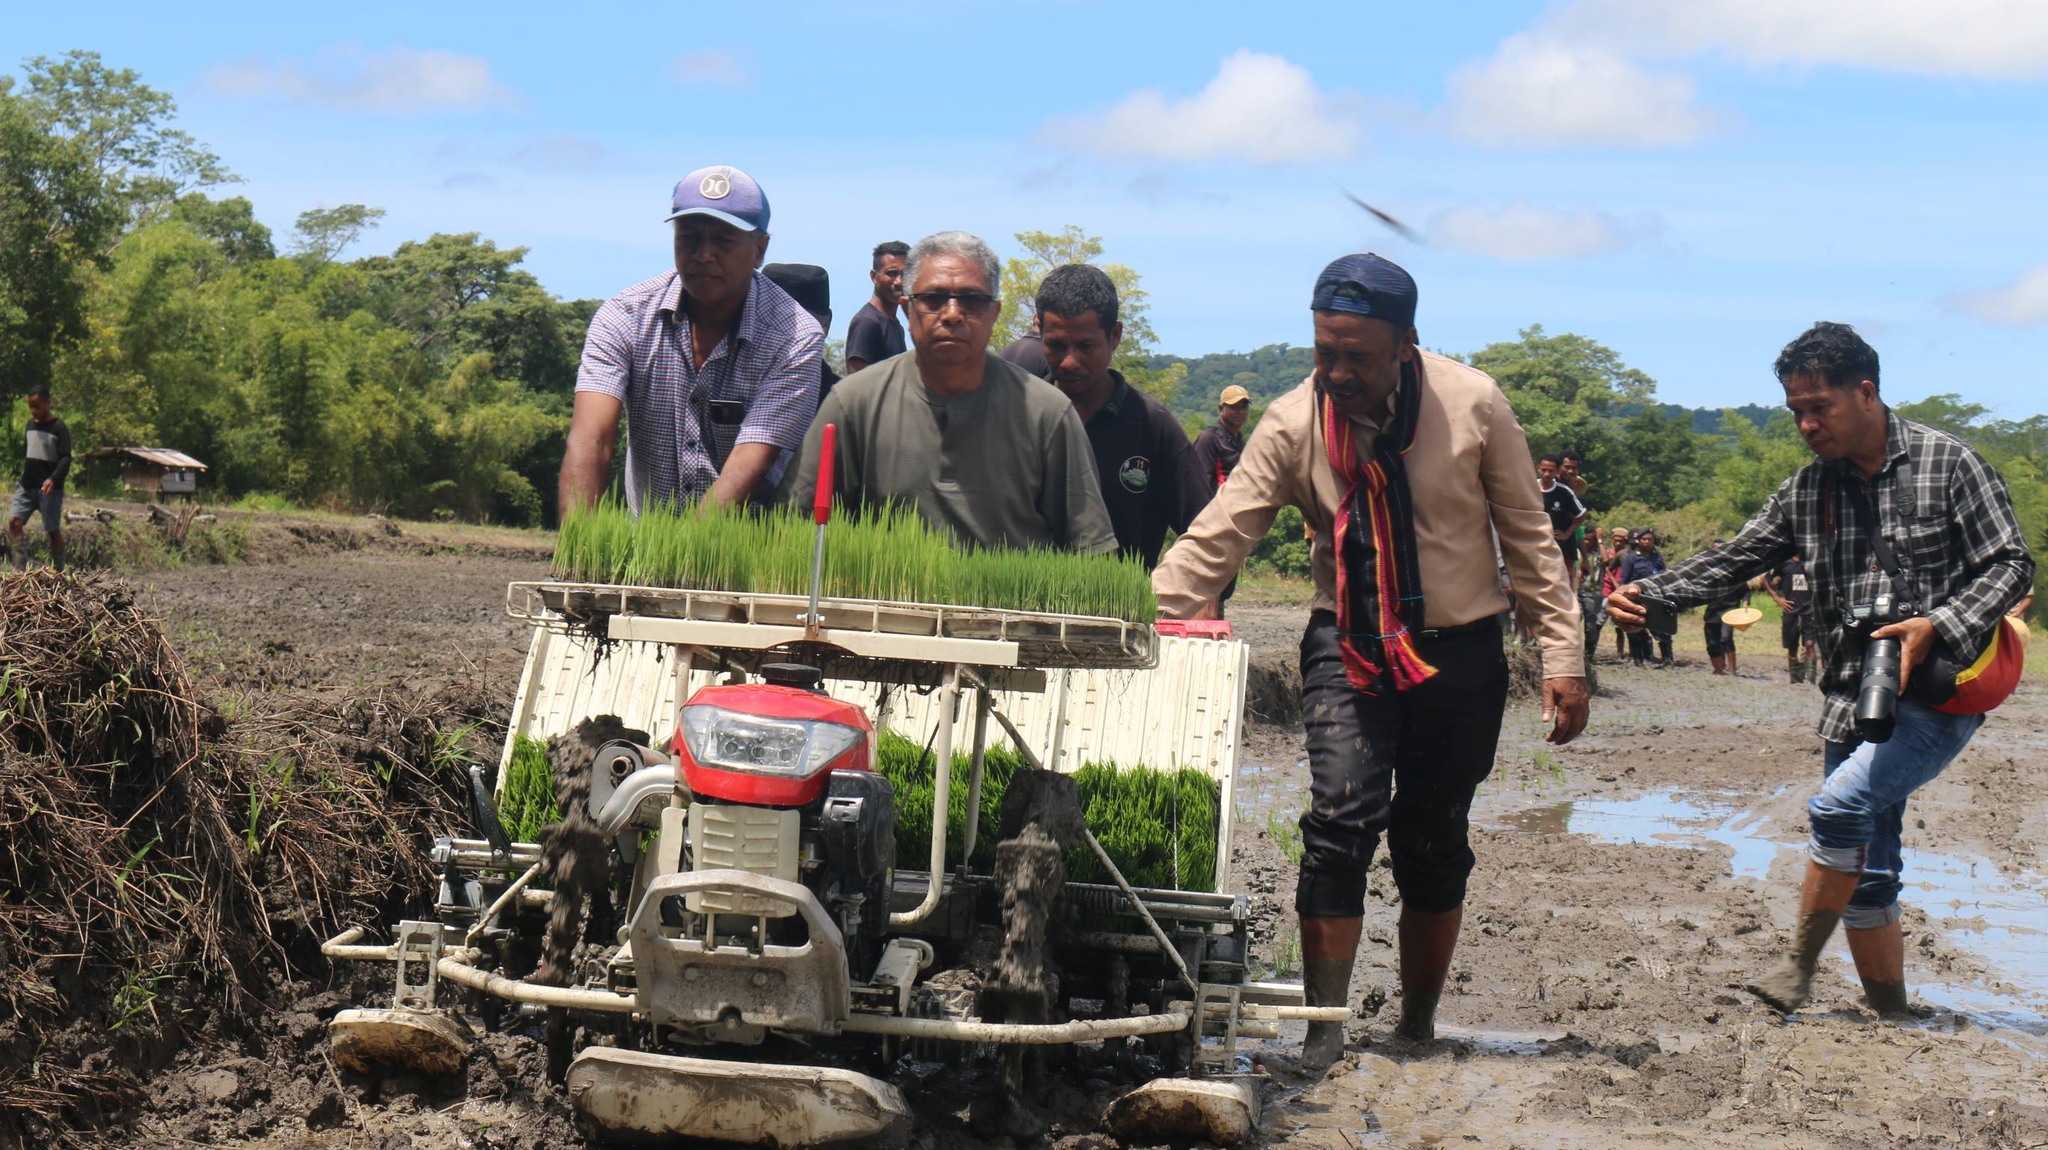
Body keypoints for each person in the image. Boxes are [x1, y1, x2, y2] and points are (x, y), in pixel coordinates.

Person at [1150, 253, 1588, 1066]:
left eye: (1358, 356)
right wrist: (1127, 624)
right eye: (1325, 352)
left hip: (1460, 650)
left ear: (1407, 344)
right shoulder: (1292, 422)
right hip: (1345, 642)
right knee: (1339, 825)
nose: (1338, 373)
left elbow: (1529, 536)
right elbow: (1219, 536)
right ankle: (1325, 1029)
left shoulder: (1473, 404)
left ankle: (1417, 1023)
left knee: (1432, 834)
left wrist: (1563, 655)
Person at [1608, 321, 2031, 1019]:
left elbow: (2011, 563)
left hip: (1933, 692)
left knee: (1837, 808)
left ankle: (1797, 967)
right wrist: (1650, 593)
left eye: (1819, 407)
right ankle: (1894, 1014)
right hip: (1848, 695)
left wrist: (1937, 627)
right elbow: (1736, 557)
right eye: (1796, 411)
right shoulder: (1806, 492)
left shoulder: (1949, 463)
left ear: (1865, 393)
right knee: (1869, 864)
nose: (1806, 424)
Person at [781, 231, 1116, 554]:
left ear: (994, 314)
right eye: (934, 299)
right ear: (907, 310)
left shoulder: (1047, 413)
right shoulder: (853, 404)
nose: (953, 314)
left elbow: (1090, 550)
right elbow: (795, 534)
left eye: (971, 300)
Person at [559, 165, 823, 519]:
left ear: (759, 249)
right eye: (689, 238)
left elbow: (750, 461)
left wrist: (684, 557)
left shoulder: (794, 336)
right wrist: (576, 548)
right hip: (648, 536)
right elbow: (592, 439)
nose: (702, 254)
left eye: (723, 240)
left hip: (755, 545)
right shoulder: (624, 317)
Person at [1036, 264, 1208, 568]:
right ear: (1039, 330)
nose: (1070, 361)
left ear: (1114, 336)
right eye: (1057, 345)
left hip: (1123, 613)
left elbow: (1206, 532)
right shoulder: (1022, 419)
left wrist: (1206, 594)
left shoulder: (1153, 425)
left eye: (1086, 346)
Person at [9, 384, 71, 571]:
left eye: (37, 406)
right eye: (31, 406)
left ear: (48, 403)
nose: (33, 411)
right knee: (14, 523)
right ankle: (19, 573)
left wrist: (53, 478)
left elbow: (66, 458)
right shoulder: (30, 425)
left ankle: (59, 571)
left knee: (52, 531)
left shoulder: (59, 428)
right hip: (27, 486)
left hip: (49, 489)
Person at [763, 263, 841, 400]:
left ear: (826, 326)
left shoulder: (842, 400)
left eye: (807, 328)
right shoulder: (725, 382)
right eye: (780, 329)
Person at [843, 241, 908, 374]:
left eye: (905, 274)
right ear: (874, 277)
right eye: (892, 273)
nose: (899, 282)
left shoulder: (896, 326)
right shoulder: (867, 322)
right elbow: (856, 384)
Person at [1616, 529, 1672, 666]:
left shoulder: (1657, 557)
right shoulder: (1631, 558)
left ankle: (1668, 659)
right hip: (1637, 597)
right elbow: (1624, 580)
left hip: (1656, 597)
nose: (1647, 542)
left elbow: (1664, 575)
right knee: (1636, 628)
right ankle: (1638, 660)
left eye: (1649, 539)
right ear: (1639, 541)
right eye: (1644, 539)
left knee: (1662, 629)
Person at [1766, 552, 1821, 683]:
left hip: (1809, 610)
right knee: (1792, 648)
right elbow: (1765, 579)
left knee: (1810, 644)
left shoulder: (1811, 563)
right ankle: (1796, 679)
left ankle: (1812, 680)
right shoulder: (1784, 563)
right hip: (1791, 611)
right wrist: (1777, 599)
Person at [1193, 385, 1253, 493]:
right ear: (1221, 409)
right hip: (1218, 506)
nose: (1240, 411)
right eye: (1234, 407)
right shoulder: (1210, 438)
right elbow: (1199, 482)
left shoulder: (1240, 442)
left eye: (1243, 407)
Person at [1537, 455, 1589, 571]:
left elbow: (1582, 515)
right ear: (1538, 469)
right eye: (1543, 470)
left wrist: (1566, 534)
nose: (1546, 474)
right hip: (1536, 545)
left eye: (1550, 471)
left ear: (1556, 472)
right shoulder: (1531, 487)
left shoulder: (1564, 492)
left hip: (1560, 548)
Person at [1600, 526, 1632, 659]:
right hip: (1608, 590)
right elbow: (1606, 567)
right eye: (1615, 540)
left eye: (1621, 541)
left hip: (1624, 592)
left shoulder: (1628, 555)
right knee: (1599, 621)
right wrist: (1614, 582)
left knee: (1623, 625)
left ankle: (1622, 653)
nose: (1618, 543)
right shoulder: (1607, 553)